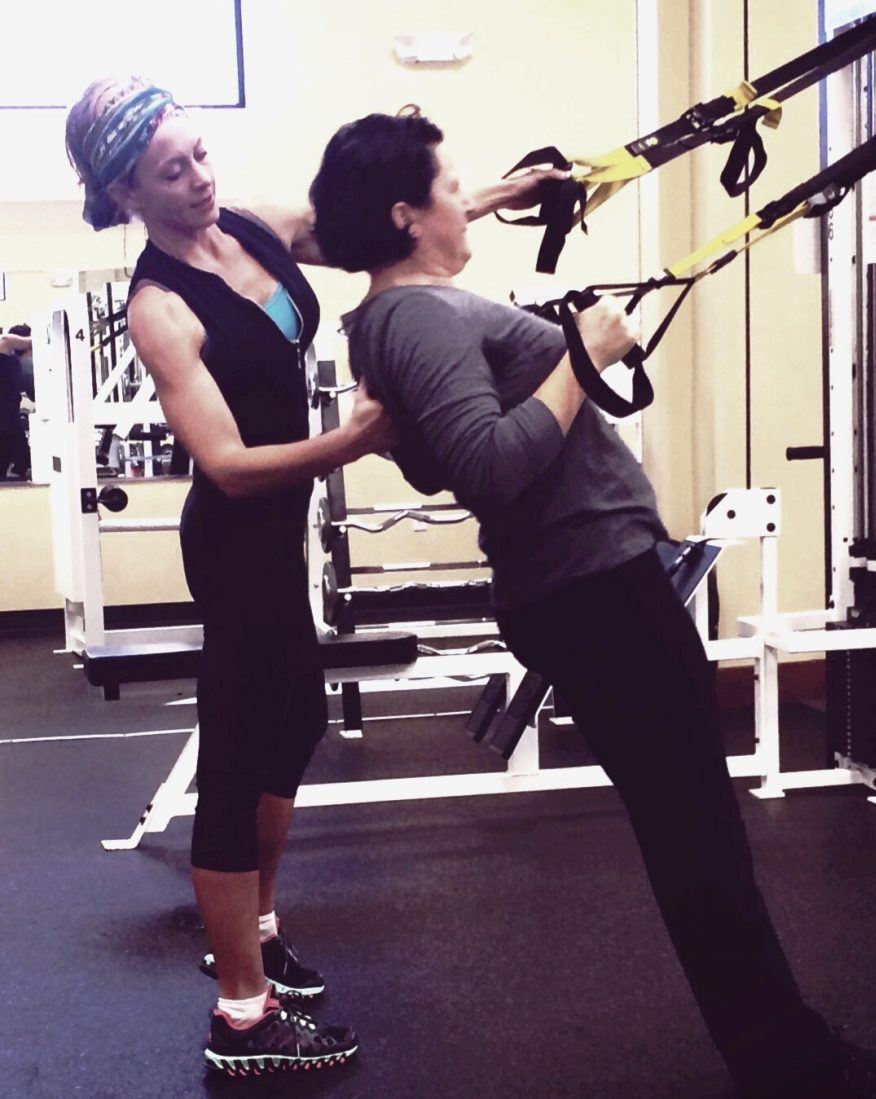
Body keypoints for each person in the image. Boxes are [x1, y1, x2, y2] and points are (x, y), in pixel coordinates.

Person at [308, 109, 876, 1099]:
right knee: (697, 837)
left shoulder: (403, 318)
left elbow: (431, 459)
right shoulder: (414, 318)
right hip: (591, 588)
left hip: (593, 578)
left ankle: (779, 1049)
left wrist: (562, 341)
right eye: (451, 186)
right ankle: (789, 1063)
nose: (466, 200)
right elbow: (485, 467)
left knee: (694, 831)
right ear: (404, 215)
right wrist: (581, 358)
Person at [64, 77, 562, 1078]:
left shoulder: (253, 227)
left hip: (277, 536)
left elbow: (374, 227)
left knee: (292, 724)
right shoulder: (160, 309)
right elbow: (228, 465)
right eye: (172, 170)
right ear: (126, 192)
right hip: (234, 539)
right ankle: (241, 1018)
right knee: (238, 753)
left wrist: (503, 194)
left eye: (201, 154)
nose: (200, 179)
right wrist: (358, 437)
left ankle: (251, 932)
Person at [0, 327, 32, 480]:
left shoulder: (18, 368)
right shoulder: (6, 362)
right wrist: (37, 340)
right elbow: (5, 340)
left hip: (10, 429)